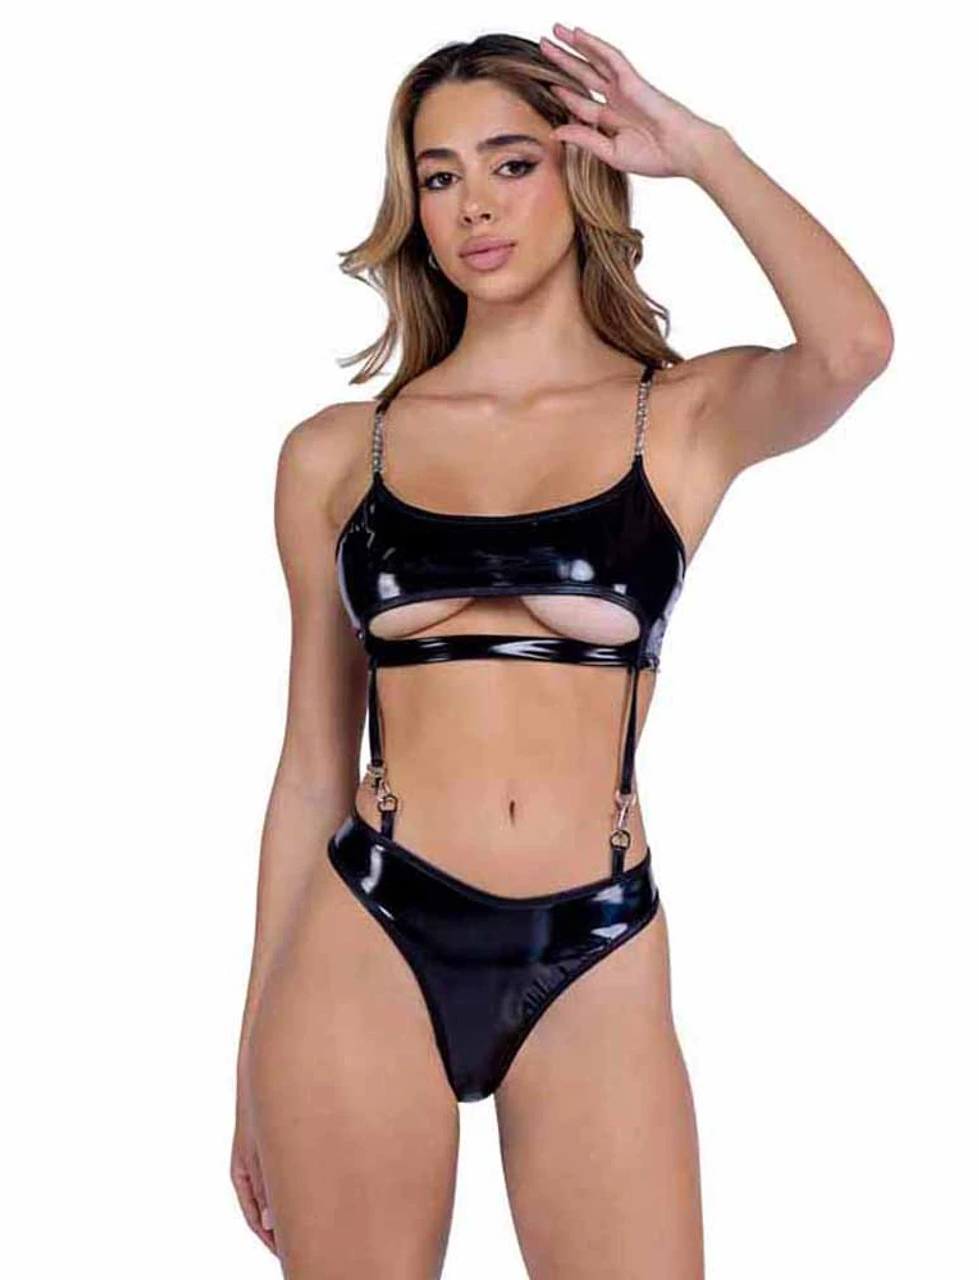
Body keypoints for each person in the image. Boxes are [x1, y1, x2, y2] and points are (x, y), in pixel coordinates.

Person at [231, 26, 893, 1278]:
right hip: (367, 931)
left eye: (511, 162)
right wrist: (249, 1052)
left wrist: (702, 151)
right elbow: (310, 768)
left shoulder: (679, 415)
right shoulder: (334, 452)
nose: (473, 205)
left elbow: (853, 346)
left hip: (595, 940)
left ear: (581, 172)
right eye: (438, 176)